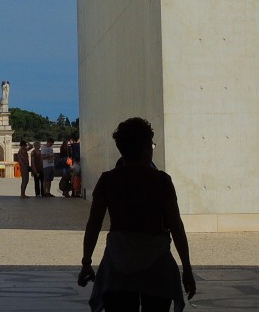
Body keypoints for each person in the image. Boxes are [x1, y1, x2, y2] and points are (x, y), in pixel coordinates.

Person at [78, 117, 196, 311]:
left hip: (118, 262)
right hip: (157, 264)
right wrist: (187, 268)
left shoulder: (108, 181)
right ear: (145, 148)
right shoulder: (162, 181)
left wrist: (86, 261)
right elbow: (176, 227)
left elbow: (94, 224)